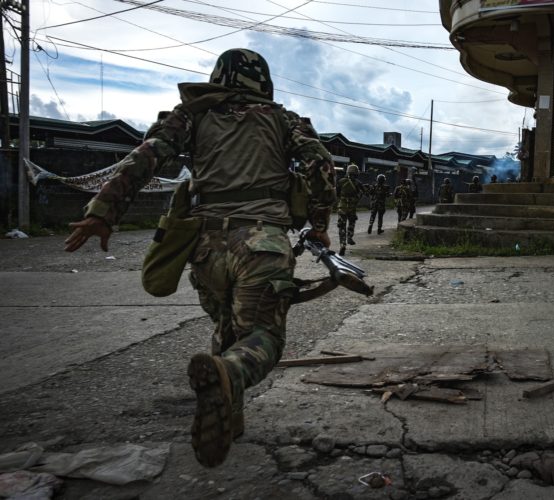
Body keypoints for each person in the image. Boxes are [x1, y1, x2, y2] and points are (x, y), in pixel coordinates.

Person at [63, 48, 336, 468]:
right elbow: (320, 163)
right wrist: (319, 223)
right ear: (263, 81)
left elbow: (146, 156)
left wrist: (103, 213)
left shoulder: (191, 116)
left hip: (206, 248)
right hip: (263, 242)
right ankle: (230, 375)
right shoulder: (284, 120)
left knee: (226, 325)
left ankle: (231, 419)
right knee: (263, 337)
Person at [336, 163, 366, 255]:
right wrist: (356, 199)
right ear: (356, 173)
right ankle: (349, 237)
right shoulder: (358, 183)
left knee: (341, 226)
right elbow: (363, 192)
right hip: (352, 208)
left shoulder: (341, 181)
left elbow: (337, 193)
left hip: (342, 207)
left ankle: (342, 244)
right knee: (351, 223)